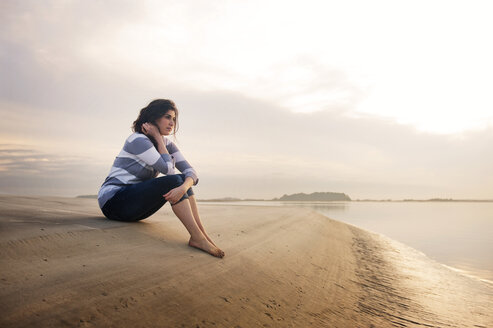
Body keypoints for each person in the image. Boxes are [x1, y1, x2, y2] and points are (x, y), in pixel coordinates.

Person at [98, 99, 224, 258]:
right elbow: (168, 171)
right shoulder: (137, 140)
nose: (172, 123)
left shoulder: (168, 145)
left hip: (134, 208)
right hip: (114, 203)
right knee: (175, 180)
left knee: (182, 181)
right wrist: (157, 138)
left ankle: (201, 235)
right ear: (153, 118)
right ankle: (198, 238)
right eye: (167, 117)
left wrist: (184, 187)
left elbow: (191, 173)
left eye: (174, 119)